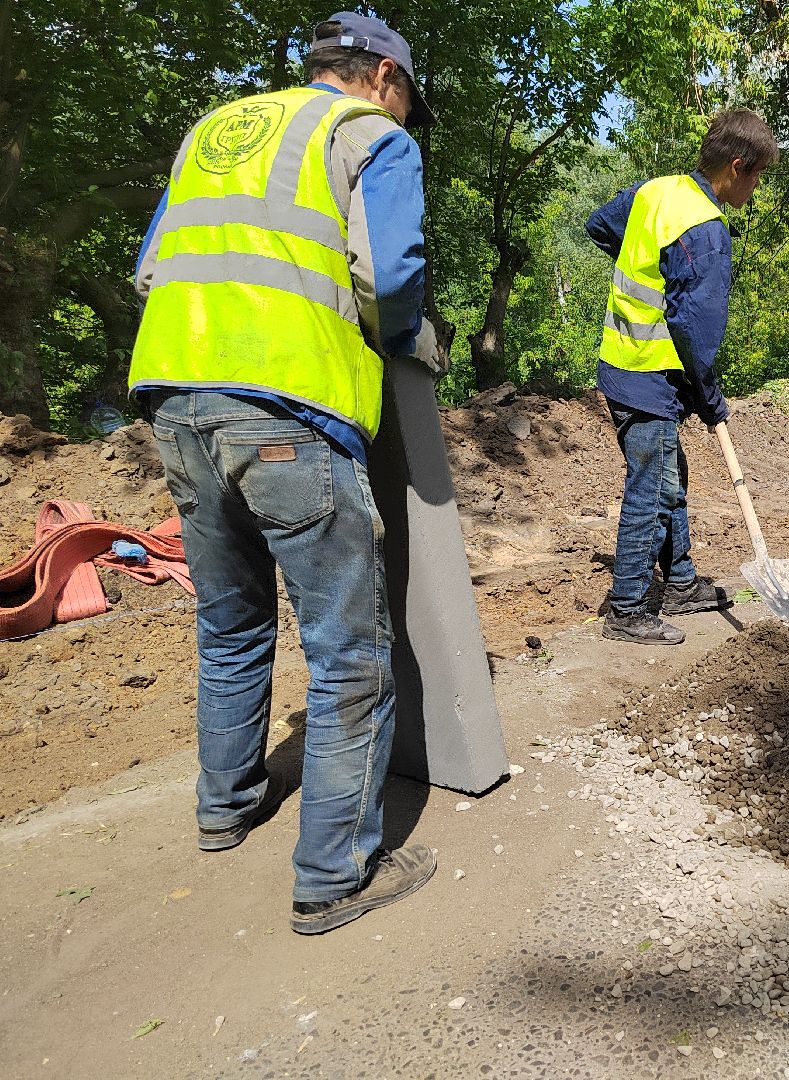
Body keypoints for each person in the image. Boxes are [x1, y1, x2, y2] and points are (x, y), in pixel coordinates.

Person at [128, 12, 443, 934]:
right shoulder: (368, 135)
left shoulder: (214, 131)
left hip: (176, 399)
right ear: (383, 76)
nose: (404, 113)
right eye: (406, 97)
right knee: (350, 653)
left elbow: (151, 270)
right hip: (288, 410)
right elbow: (389, 280)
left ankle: (225, 806)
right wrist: (407, 339)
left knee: (230, 624)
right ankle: (334, 875)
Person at [586, 110, 778, 645]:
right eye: (757, 175)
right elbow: (695, 335)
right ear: (737, 167)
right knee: (649, 487)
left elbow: (600, 225)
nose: (756, 186)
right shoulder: (707, 232)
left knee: (672, 477)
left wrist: (648, 268)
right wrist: (710, 397)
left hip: (621, 363)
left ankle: (680, 581)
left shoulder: (657, 191)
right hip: (648, 375)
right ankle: (627, 608)